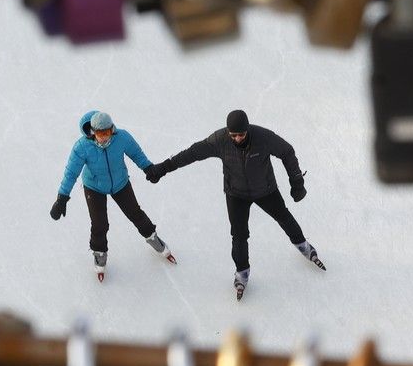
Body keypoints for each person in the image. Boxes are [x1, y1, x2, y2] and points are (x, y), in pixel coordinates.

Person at [146, 109, 323, 300]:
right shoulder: (220, 140)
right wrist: (163, 168)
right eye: (233, 135)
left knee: (284, 217)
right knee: (239, 235)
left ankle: (303, 245)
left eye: (241, 134)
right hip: (236, 194)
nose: (237, 139)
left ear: (247, 130)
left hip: (266, 190)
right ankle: (242, 272)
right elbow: (192, 153)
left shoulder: (262, 137)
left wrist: (297, 182)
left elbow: (287, 151)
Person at [51, 110, 175, 281]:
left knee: (135, 213)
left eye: (108, 132)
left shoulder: (121, 138)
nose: (105, 137)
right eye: (101, 133)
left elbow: (136, 154)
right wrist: (62, 198)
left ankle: (153, 238)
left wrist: (148, 168)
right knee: (99, 223)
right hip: (94, 187)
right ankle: (99, 254)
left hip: (120, 183)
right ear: (93, 132)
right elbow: (71, 173)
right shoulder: (82, 147)